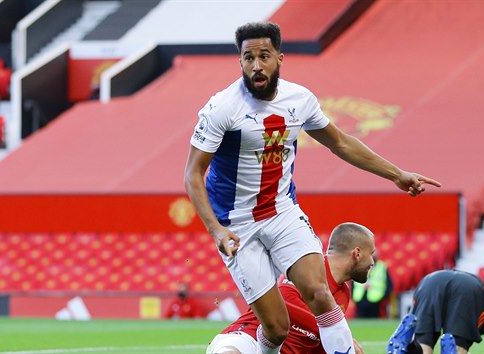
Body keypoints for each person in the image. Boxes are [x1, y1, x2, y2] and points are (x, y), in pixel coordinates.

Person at [184, 21, 442, 354]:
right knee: (276, 329)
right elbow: (193, 174)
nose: (256, 65)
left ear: (280, 57)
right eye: (248, 58)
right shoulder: (222, 109)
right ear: (240, 62)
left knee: (320, 292)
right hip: (237, 224)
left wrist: (396, 174)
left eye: (264, 56)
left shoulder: (299, 100)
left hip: (282, 212)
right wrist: (216, 230)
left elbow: (341, 143)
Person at [206, 222, 375, 354]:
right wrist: (334, 329)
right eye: (371, 254)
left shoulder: (344, 294)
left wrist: (338, 343)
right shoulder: (308, 266)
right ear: (357, 253)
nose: (373, 262)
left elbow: (319, 343)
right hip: (250, 338)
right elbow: (284, 301)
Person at [386, 270, 484, 354]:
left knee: (424, 345)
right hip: (468, 288)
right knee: (456, 345)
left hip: (430, 282)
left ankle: (409, 347)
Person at [352, 250, 393, 318]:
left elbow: (389, 284)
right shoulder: (360, 265)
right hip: (360, 297)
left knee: (373, 321)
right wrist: (352, 295)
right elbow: (353, 282)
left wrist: (384, 297)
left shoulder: (382, 267)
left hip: (375, 299)